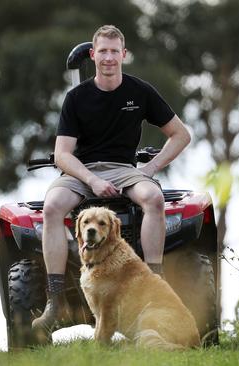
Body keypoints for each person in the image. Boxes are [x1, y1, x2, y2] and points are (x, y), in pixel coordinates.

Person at [32, 25, 191, 331]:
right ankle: (54, 303)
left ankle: (154, 285)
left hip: (124, 168)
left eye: (114, 51)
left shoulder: (140, 91)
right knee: (51, 207)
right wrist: (90, 179)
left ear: (124, 54)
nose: (108, 58)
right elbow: (63, 154)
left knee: (154, 199)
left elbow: (181, 135)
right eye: (102, 51)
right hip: (82, 170)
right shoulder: (76, 97)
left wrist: (151, 167)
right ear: (93, 55)